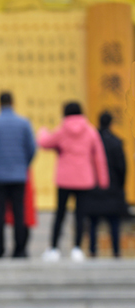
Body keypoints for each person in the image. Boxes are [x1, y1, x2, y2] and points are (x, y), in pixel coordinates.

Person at [38, 101, 109, 262]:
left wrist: (42, 132)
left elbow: (45, 143)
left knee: (60, 214)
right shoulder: (90, 131)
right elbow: (99, 157)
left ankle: (54, 248)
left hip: (64, 178)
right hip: (84, 179)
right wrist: (103, 180)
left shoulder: (62, 130)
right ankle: (77, 249)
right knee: (80, 215)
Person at [0, 91, 37, 259]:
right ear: (13, 102)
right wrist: (24, 165)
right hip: (19, 175)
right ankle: (19, 250)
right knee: (18, 213)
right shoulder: (23, 123)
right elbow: (32, 148)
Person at [87, 111, 127, 257]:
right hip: (113, 187)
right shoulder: (116, 142)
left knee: (93, 222)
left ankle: (92, 250)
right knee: (114, 222)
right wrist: (120, 185)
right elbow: (122, 167)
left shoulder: (92, 140)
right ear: (111, 123)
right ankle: (116, 252)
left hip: (94, 186)